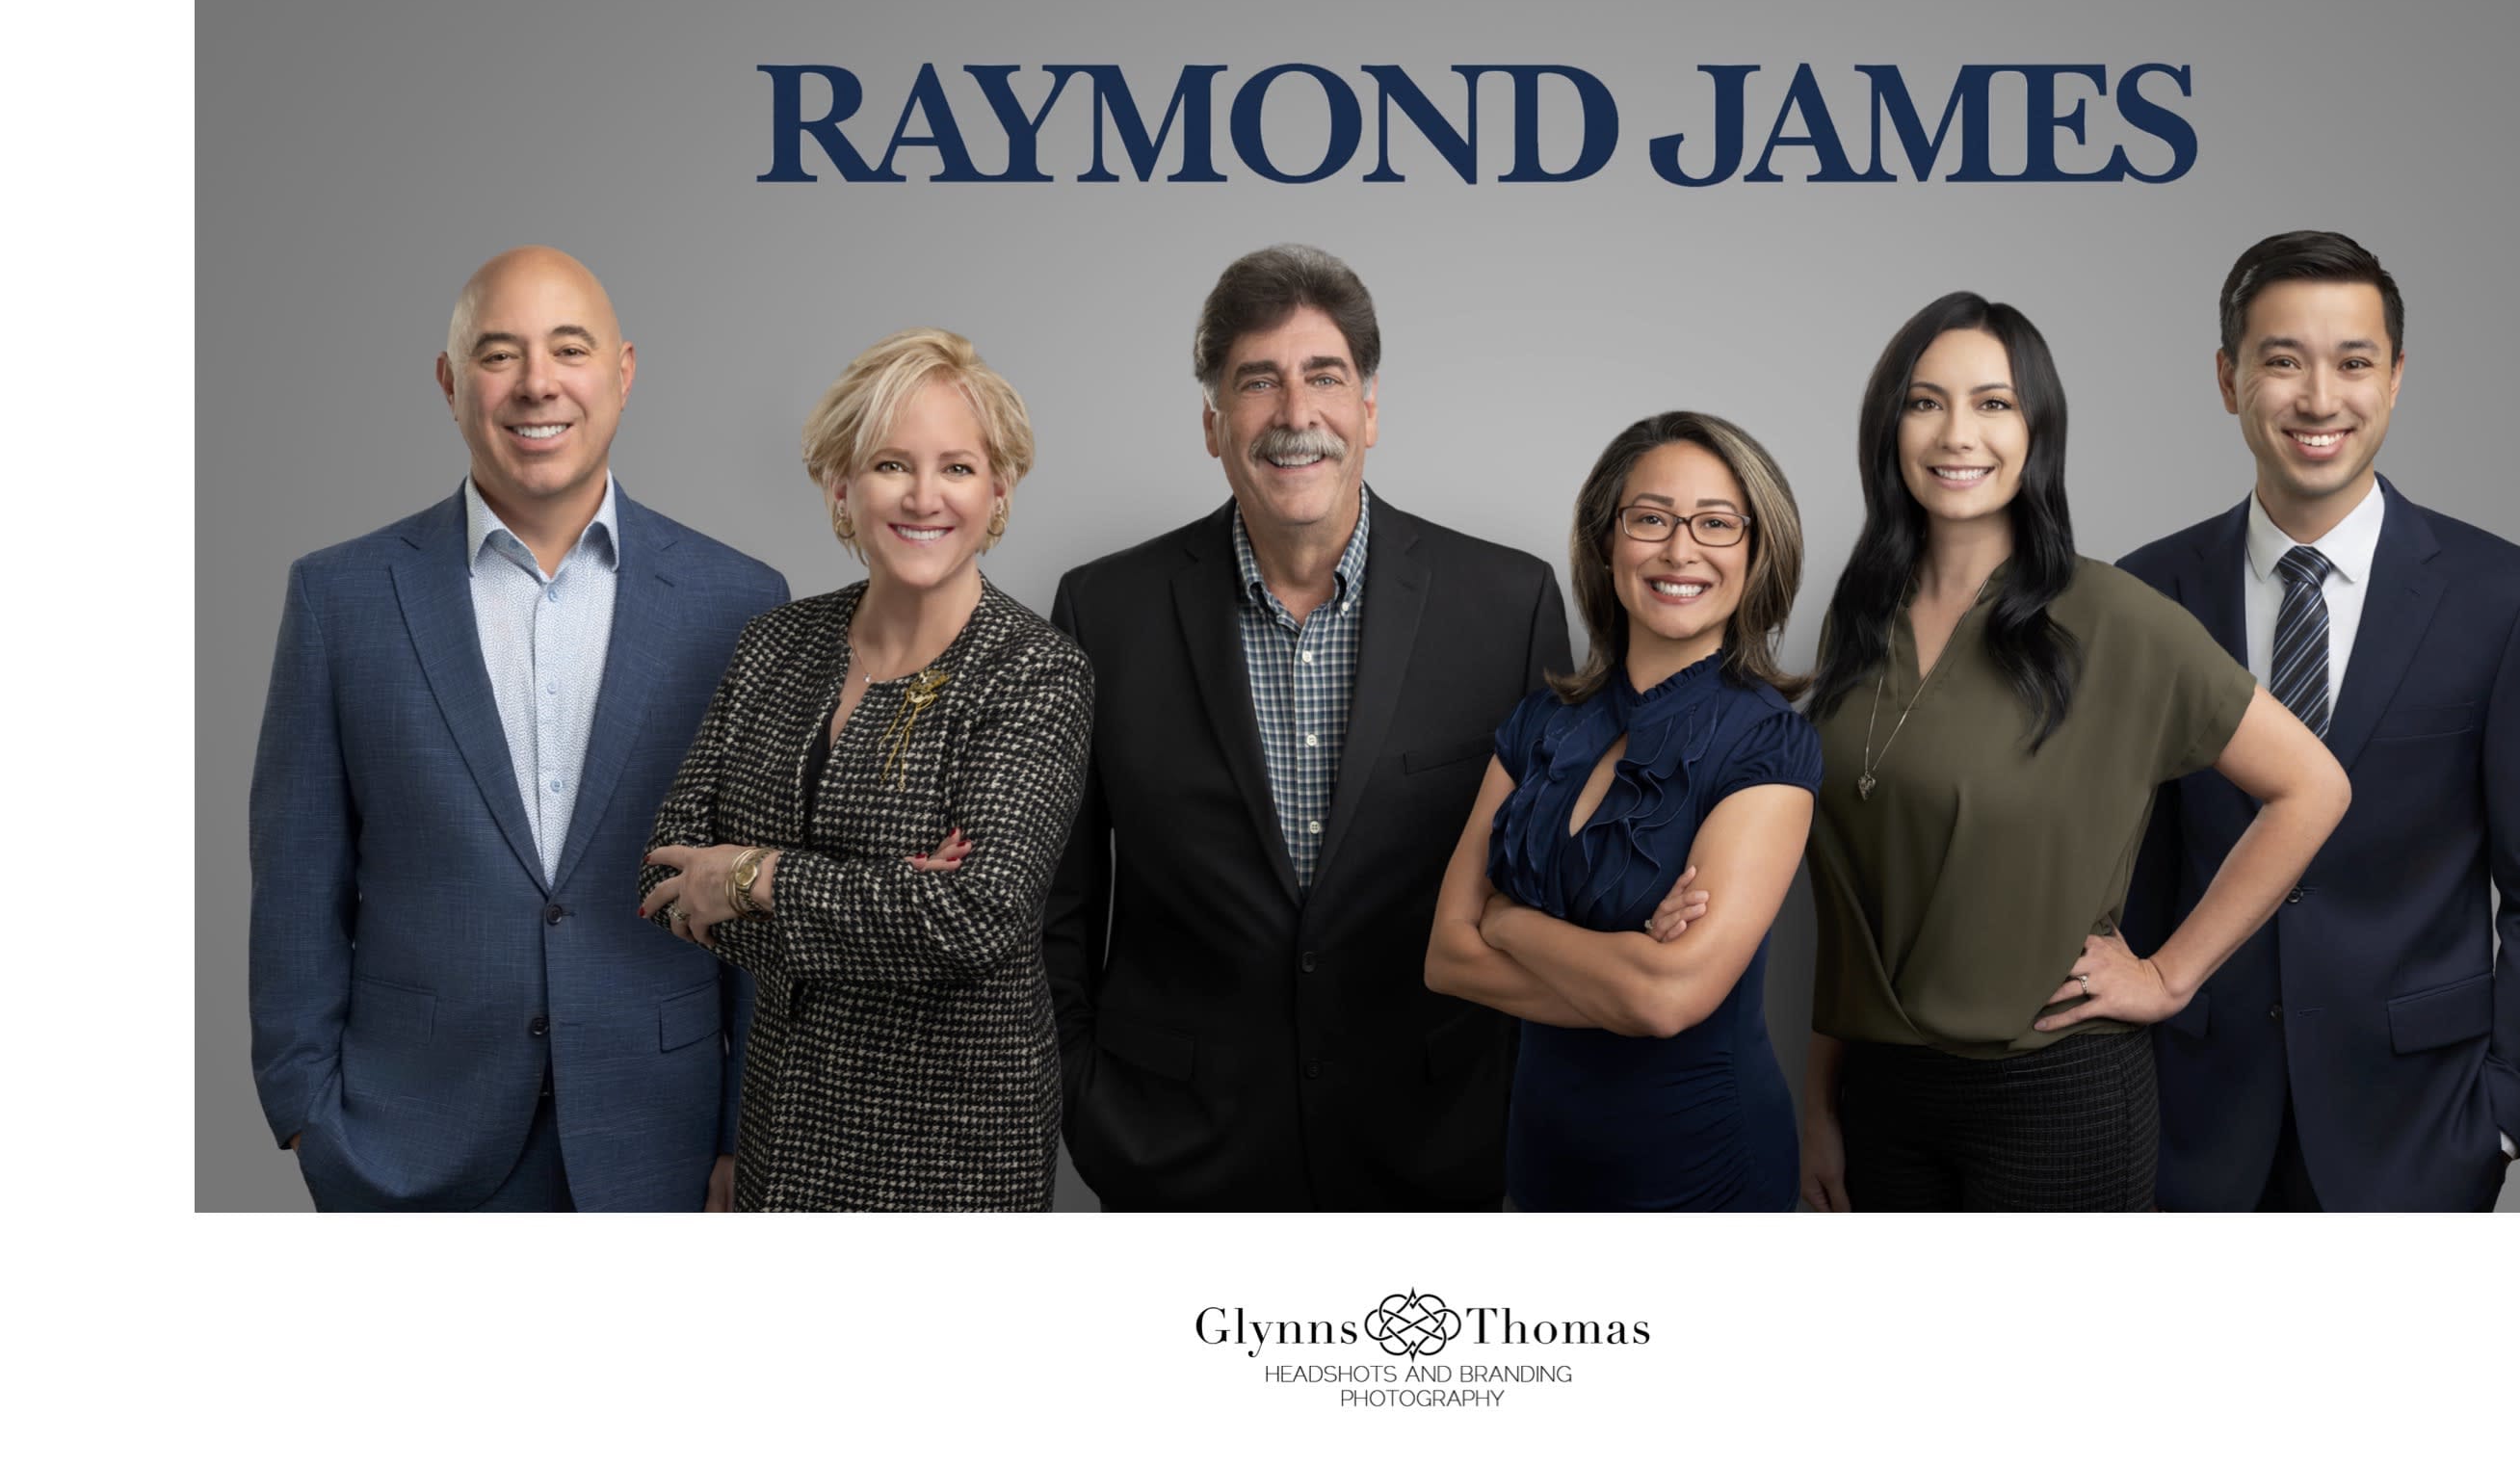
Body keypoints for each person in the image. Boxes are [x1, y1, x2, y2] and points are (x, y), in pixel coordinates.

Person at [248, 249, 786, 1210]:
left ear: (622, 372)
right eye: (499, 355)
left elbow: (755, 904)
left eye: (568, 350)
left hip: (656, 1145)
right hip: (406, 1146)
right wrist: (305, 1111)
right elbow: (296, 882)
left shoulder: (737, 602)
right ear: (451, 383)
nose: (537, 383)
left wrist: (744, 1135)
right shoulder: (341, 599)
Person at [1042, 245, 1570, 1208]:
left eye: (1322, 377)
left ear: (1367, 411)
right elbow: (1059, 906)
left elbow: (1544, 890)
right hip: (1173, 1155)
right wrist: (1083, 1099)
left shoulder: (1506, 604)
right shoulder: (1101, 611)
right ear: (1212, 424)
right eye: (1257, 383)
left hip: (1437, 1144)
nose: (1294, 416)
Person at [1798, 292, 2349, 1211]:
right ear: (1888, 425)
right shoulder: (1859, 619)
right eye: (1924, 401)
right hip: (1882, 1096)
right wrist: (1817, 1101)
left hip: (2053, 1094)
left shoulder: (2111, 616)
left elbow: (2313, 786)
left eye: (1993, 403)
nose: (1955, 433)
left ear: (2037, 430)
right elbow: (1854, 899)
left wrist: (2169, 976)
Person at [2118, 233, 2520, 1210]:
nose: (2318, 398)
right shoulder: (2145, 595)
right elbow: (2134, 872)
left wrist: (2503, 1114)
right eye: (2281, 360)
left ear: (2395, 378)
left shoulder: (2502, 600)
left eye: (2352, 362)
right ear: (2227, 378)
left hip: (2419, 1126)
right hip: (2194, 1126)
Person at [637, 331, 1093, 1211]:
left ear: (999, 490)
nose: (925, 497)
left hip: (956, 1153)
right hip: (783, 1129)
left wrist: (751, 874)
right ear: (840, 486)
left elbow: (975, 917)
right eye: (891, 463)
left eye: (957, 467)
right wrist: (888, 902)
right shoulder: (777, 644)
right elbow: (667, 871)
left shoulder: (1035, 671)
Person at [1425, 413, 1820, 1210]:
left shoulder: (1768, 745)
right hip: (1542, 1155)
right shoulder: (1538, 723)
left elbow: (1665, 1000)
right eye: (1650, 518)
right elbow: (1444, 957)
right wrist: (1625, 968)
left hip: (1699, 1164)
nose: (1679, 550)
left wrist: (1507, 922)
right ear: (1607, 541)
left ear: (1755, 550)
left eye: (1714, 522)